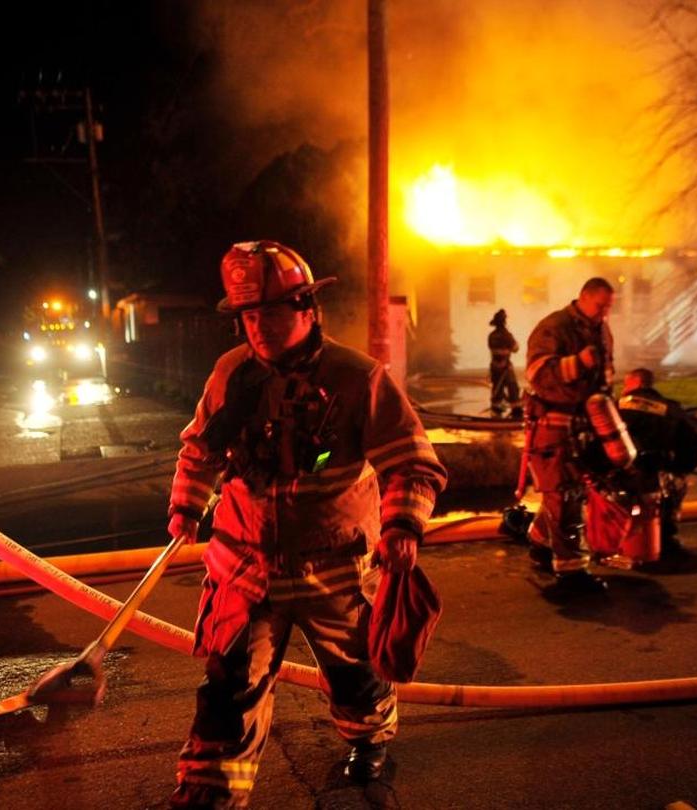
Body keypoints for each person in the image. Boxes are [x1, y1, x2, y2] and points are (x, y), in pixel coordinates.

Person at [167, 241, 447, 808]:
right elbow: (200, 449)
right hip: (245, 571)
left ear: (307, 309)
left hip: (335, 572)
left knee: (357, 675)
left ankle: (369, 740)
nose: (260, 327)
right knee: (228, 690)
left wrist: (401, 528)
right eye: (249, 315)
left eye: (272, 312)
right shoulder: (231, 375)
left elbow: (412, 461)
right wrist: (185, 506)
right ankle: (209, 793)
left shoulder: (357, 379)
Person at [522, 277, 615, 591]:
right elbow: (538, 375)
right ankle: (571, 573)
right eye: (601, 306)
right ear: (584, 297)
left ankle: (539, 541)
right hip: (554, 426)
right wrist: (577, 363)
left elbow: (605, 376)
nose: (605, 314)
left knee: (573, 492)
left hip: (585, 425)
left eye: (609, 308)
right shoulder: (554, 327)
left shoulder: (600, 329)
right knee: (564, 494)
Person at [617, 368, 697, 557]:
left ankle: (614, 539)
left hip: (619, 477)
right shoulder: (671, 408)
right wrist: (681, 468)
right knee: (674, 487)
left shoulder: (617, 407)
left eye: (626, 384)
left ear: (636, 383)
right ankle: (666, 539)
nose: (624, 389)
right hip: (660, 475)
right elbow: (693, 444)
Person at [487, 309, 521, 417]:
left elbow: (493, 349)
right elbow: (515, 349)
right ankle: (516, 412)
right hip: (506, 367)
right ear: (504, 322)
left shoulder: (491, 335)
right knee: (513, 388)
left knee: (497, 390)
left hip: (495, 367)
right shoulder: (507, 335)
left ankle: (496, 413)